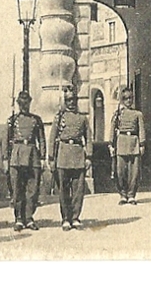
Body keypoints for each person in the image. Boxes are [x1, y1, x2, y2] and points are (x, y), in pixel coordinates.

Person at [49, 86, 93, 231]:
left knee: (78, 189)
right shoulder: (59, 117)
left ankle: (75, 217)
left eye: (73, 99)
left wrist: (88, 157)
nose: (71, 103)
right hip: (63, 155)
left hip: (78, 155)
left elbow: (88, 138)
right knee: (63, 189)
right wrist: (51, 158)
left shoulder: (82, 118)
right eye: (68, 100)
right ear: (65, 101)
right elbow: (52, 138)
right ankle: (65, 218)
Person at [6, 90, 46, 231]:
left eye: (26, 103)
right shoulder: (13, 120)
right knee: (17, 189)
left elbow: (41, 139)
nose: (24, 106)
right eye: (21, 103)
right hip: (17, 155)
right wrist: (6, 159)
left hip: (32, 154)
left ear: (30, 103)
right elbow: (7, 141)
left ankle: (28, 218)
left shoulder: (36, 120)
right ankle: (18, 219)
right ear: (18, 104)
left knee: (32, 188)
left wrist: (42, 157)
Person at [111, 88, 145, 205]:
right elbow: (112, 129)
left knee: (134, 172)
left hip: (134, 143)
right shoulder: (118, 114)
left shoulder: (138, 114)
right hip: (121, 143)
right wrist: (111, 144)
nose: (128, 101)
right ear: (122, 100)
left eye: (130, 98)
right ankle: (122, 194)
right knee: (120, 171)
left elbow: (141, 130)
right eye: (125, 98)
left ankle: (131, 195)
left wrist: (141, 144)